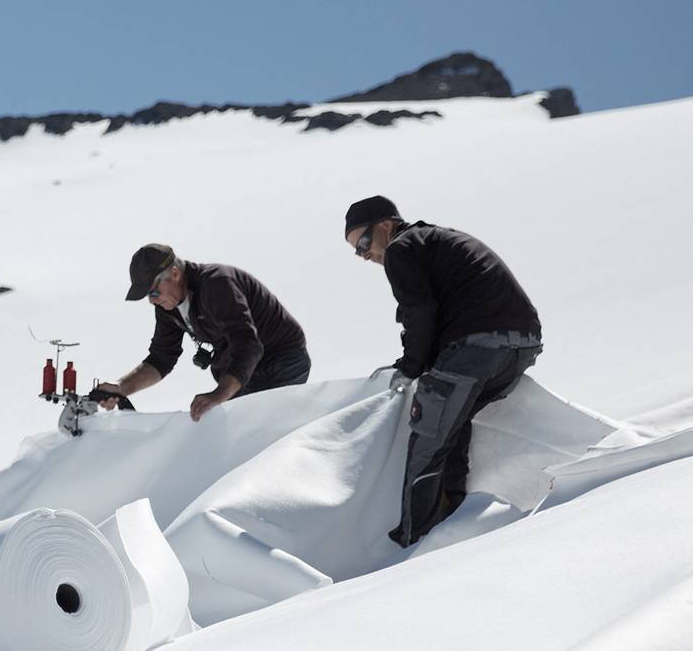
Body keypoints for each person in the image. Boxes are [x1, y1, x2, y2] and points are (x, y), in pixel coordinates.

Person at [343, 195, 547, 546]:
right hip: (521, 345)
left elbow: (420, 312)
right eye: (356, 251)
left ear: (386, 226)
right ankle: (455, 522)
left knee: (428, 433)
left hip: (479, 346)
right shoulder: (432, 240)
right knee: (452, 428)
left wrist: (410, 367)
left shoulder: (401, 248)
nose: (365, 255)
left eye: (363, 242)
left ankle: (413, 542)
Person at [93, 243, 312, 420]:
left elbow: (248, 345)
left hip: (280, 362)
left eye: (153, 292)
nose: (152, 301)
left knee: (250, 433)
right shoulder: (168, 307)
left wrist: (219, 394)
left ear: (175, 274)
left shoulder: (218, 284)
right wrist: (122, 388)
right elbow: (161, 358)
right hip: (246, 371)